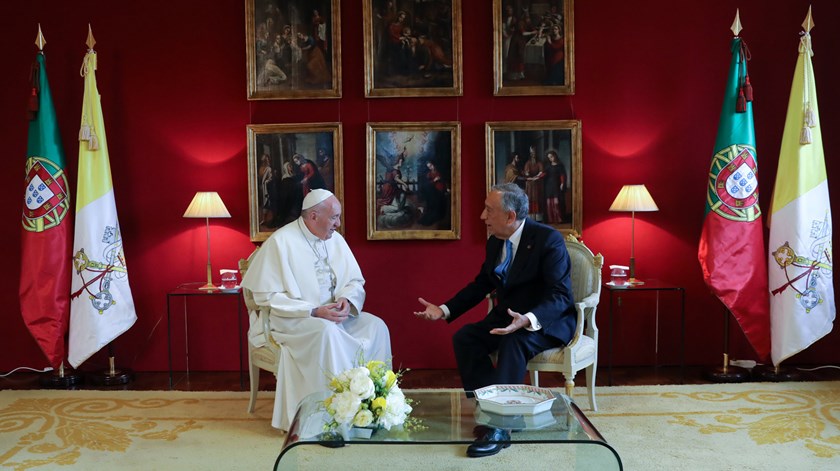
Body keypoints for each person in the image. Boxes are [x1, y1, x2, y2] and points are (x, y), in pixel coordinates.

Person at [413, 183, 576, 458]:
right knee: (466, 339)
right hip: (507, 317)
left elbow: (561, 296)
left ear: (510, 216)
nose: (482, 216)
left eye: (489, 210)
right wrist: (444, 309)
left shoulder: (548, 240)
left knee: (513, 341)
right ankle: (494, 412)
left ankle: (500, 429)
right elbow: (482, 284)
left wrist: (527, 319)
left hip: (545, 320)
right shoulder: (495, 241)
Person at [242, 189, 392, 431]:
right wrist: (313, 311)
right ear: (313, 216)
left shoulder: (336, 240)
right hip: (294, 320)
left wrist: (346, 300)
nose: (338, 224)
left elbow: (355, 281)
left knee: (377, 326)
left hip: (334, 315)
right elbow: (266, 297)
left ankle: (373, 406)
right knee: (326, 333)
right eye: (334, 217)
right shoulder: (281, 242)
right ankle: (331, 419)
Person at [543, 150, 567, 223]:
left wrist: (562, 183)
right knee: (549, 203)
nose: (550, 159)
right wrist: (536, 177)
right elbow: (543, 174)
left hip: (556, 186)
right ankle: (551, 219)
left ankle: (558, 219)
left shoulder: (560, 165)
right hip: (549, 186)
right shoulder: (548, 167)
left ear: (555, 156)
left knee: (557, 203)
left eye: (551, 157)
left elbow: (562, 175)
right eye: (549, 158)